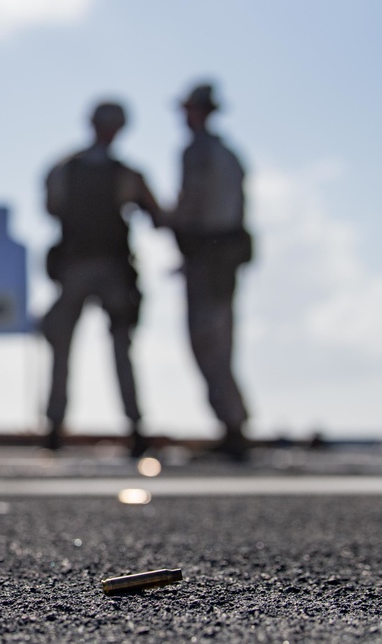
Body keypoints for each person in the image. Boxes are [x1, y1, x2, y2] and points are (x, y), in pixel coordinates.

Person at [40, 101, 162, 458]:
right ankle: (126, 427)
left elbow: (51, 208)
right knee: (102, 348)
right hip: (103, 268)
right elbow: (156, 213)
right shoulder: (125, 174)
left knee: (93, 348)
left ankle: (61, 427)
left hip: (88, 268)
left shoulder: (64, 169)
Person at [166, 82, 253, 462]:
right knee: (221, 338)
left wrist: (165, 219)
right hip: (225, 255)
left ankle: (232, 424)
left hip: (208, 255)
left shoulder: (198, 153)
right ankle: (233, 424)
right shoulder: (230, 155)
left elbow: (190, 204)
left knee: (207, 339)